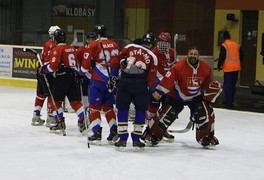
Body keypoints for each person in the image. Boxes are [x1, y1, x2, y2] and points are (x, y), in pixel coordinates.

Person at [143, 46, 222, 147]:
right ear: (187, 54)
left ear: (199, 56)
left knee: (205, 113)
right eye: (191, 54)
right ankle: (152, 135)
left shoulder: (206, 68)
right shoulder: (178, 67)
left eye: (195, 54)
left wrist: (211, 92)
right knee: (166, 117)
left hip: (195, 97)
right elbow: (168, 80)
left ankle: (206, 137)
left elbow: (206, 86)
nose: (193, 56)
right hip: (177, 97)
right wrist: (159, 92)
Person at [110, 32, 158, 151]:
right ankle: (136, 139)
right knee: (141, 109)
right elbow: (151, 76)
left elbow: (115, 61)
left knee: (122, 109)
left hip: (125, 82)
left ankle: (122, 139)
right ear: (153, 44)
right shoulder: (153, 55)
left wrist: (113, 77)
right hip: (140, 84)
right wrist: (153, 90)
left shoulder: (129, 47)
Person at [79, 24, 119, 145]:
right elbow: (117, 62)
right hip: (112, 79)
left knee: (94, 107)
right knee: (108, 107)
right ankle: (114, 130)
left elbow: (85, 66)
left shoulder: (93, 45)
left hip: (98, 80)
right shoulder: (115, 44)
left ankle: (96, 132)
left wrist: (79, 73)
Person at [40, 29, 85, 134]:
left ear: (55, 39)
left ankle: (59, 121)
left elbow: (53, 67)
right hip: (73, 76)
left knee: (55, 101)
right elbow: (77, 64)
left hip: (62, 77)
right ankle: (83, 120)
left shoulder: (57, 49)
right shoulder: (72, 49)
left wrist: (44, 69)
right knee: (75, 101)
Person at [146, 31, 176, 142]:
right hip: (157, 85)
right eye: (161, 42)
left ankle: (163, 130)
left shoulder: (173, 52)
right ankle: (150, 129)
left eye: (166, 42)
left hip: (168, 85)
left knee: (166, 109)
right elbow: (151, 72)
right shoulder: (153, 54)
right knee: (153, 109)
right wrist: (152, 87)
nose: (163, 45)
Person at [31, 25, 60, 126]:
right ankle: (50, 117)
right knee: (51, 94)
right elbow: (49, 60)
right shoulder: (54, 45)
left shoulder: (47, 43)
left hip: (40, 70)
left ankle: (36, 116)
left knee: (41, 94)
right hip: (47, 72)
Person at [217, 31, 243, 109]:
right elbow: (242, 56)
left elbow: (222, 57)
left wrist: (219, 66)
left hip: (228, 68)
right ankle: (231, 100)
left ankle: (228, 101)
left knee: (227, 86)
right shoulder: (237, 45)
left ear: (223, 37)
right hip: (236, 68)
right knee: (232, 85)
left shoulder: (224, 45)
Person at [76, 31, 97, 111]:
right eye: (89, 39)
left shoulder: (98, 49)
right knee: (85, 89)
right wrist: (79, 72)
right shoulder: (81, 50)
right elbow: (77, 61)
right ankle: (86, 106)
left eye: (93, 39)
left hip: (97, 74)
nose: (91, 41)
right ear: (87, 40)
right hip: (86, 73)